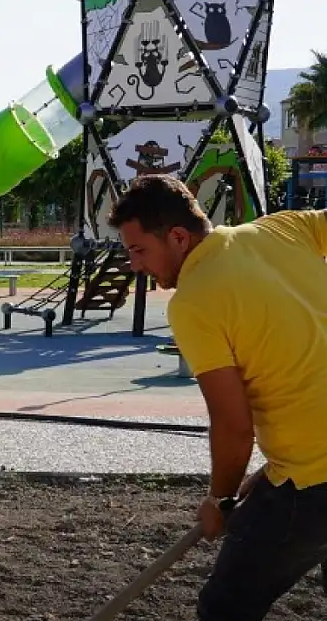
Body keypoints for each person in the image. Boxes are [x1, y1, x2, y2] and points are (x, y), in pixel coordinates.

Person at [107, 173, 327, 621]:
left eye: (139, 250)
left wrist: (220, 500)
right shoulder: (279, 229)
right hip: (305, 461)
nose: (134, 265)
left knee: (227, 606)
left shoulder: (193, 302)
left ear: (178, 236)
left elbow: (233, 424)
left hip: (314, 479)